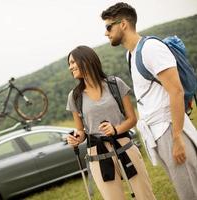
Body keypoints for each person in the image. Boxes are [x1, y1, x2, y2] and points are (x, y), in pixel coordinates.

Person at [101, 2, 197, 200]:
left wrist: (177, 138)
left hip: (170, 129)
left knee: (190, 188)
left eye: (109, 27)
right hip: (159, 133)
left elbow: (176, 91)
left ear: (124, 24)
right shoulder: (131, 54)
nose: (106, 33)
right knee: (183, 187)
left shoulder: (151, 48)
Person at [66, 45, 155, 200]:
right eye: (69, 64)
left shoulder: (115, 84)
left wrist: (115, 129)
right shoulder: (74, 96)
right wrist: (76, 138)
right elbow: (81, 131)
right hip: (97, 155)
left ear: (86, 60)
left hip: (125, 147)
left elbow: (132, 119)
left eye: (73, 62)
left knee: (145, 196)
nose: (70, 67)